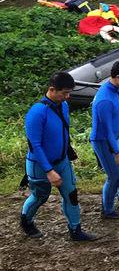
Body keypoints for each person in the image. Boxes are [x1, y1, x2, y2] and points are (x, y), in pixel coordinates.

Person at [21, 72, 97, 242]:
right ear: (52, 89)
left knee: (71, 194)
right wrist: (49, 171)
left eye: (69, 93)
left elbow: (62, 131)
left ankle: (75, 230)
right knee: (40, 196)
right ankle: (26, 221)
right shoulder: (37, 112)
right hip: (40, 165)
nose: (67, 97)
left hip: (62, 161)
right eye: (64, 93)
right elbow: (35, 145)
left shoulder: (63, 106)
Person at [91, 60, 119, 219]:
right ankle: (107, 209)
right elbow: (106, 130)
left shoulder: (116, 89)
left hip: (115, 137)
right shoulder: (104, 99)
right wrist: (116, 153)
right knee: (114, 175)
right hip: (103, 140)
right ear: (118, 77)